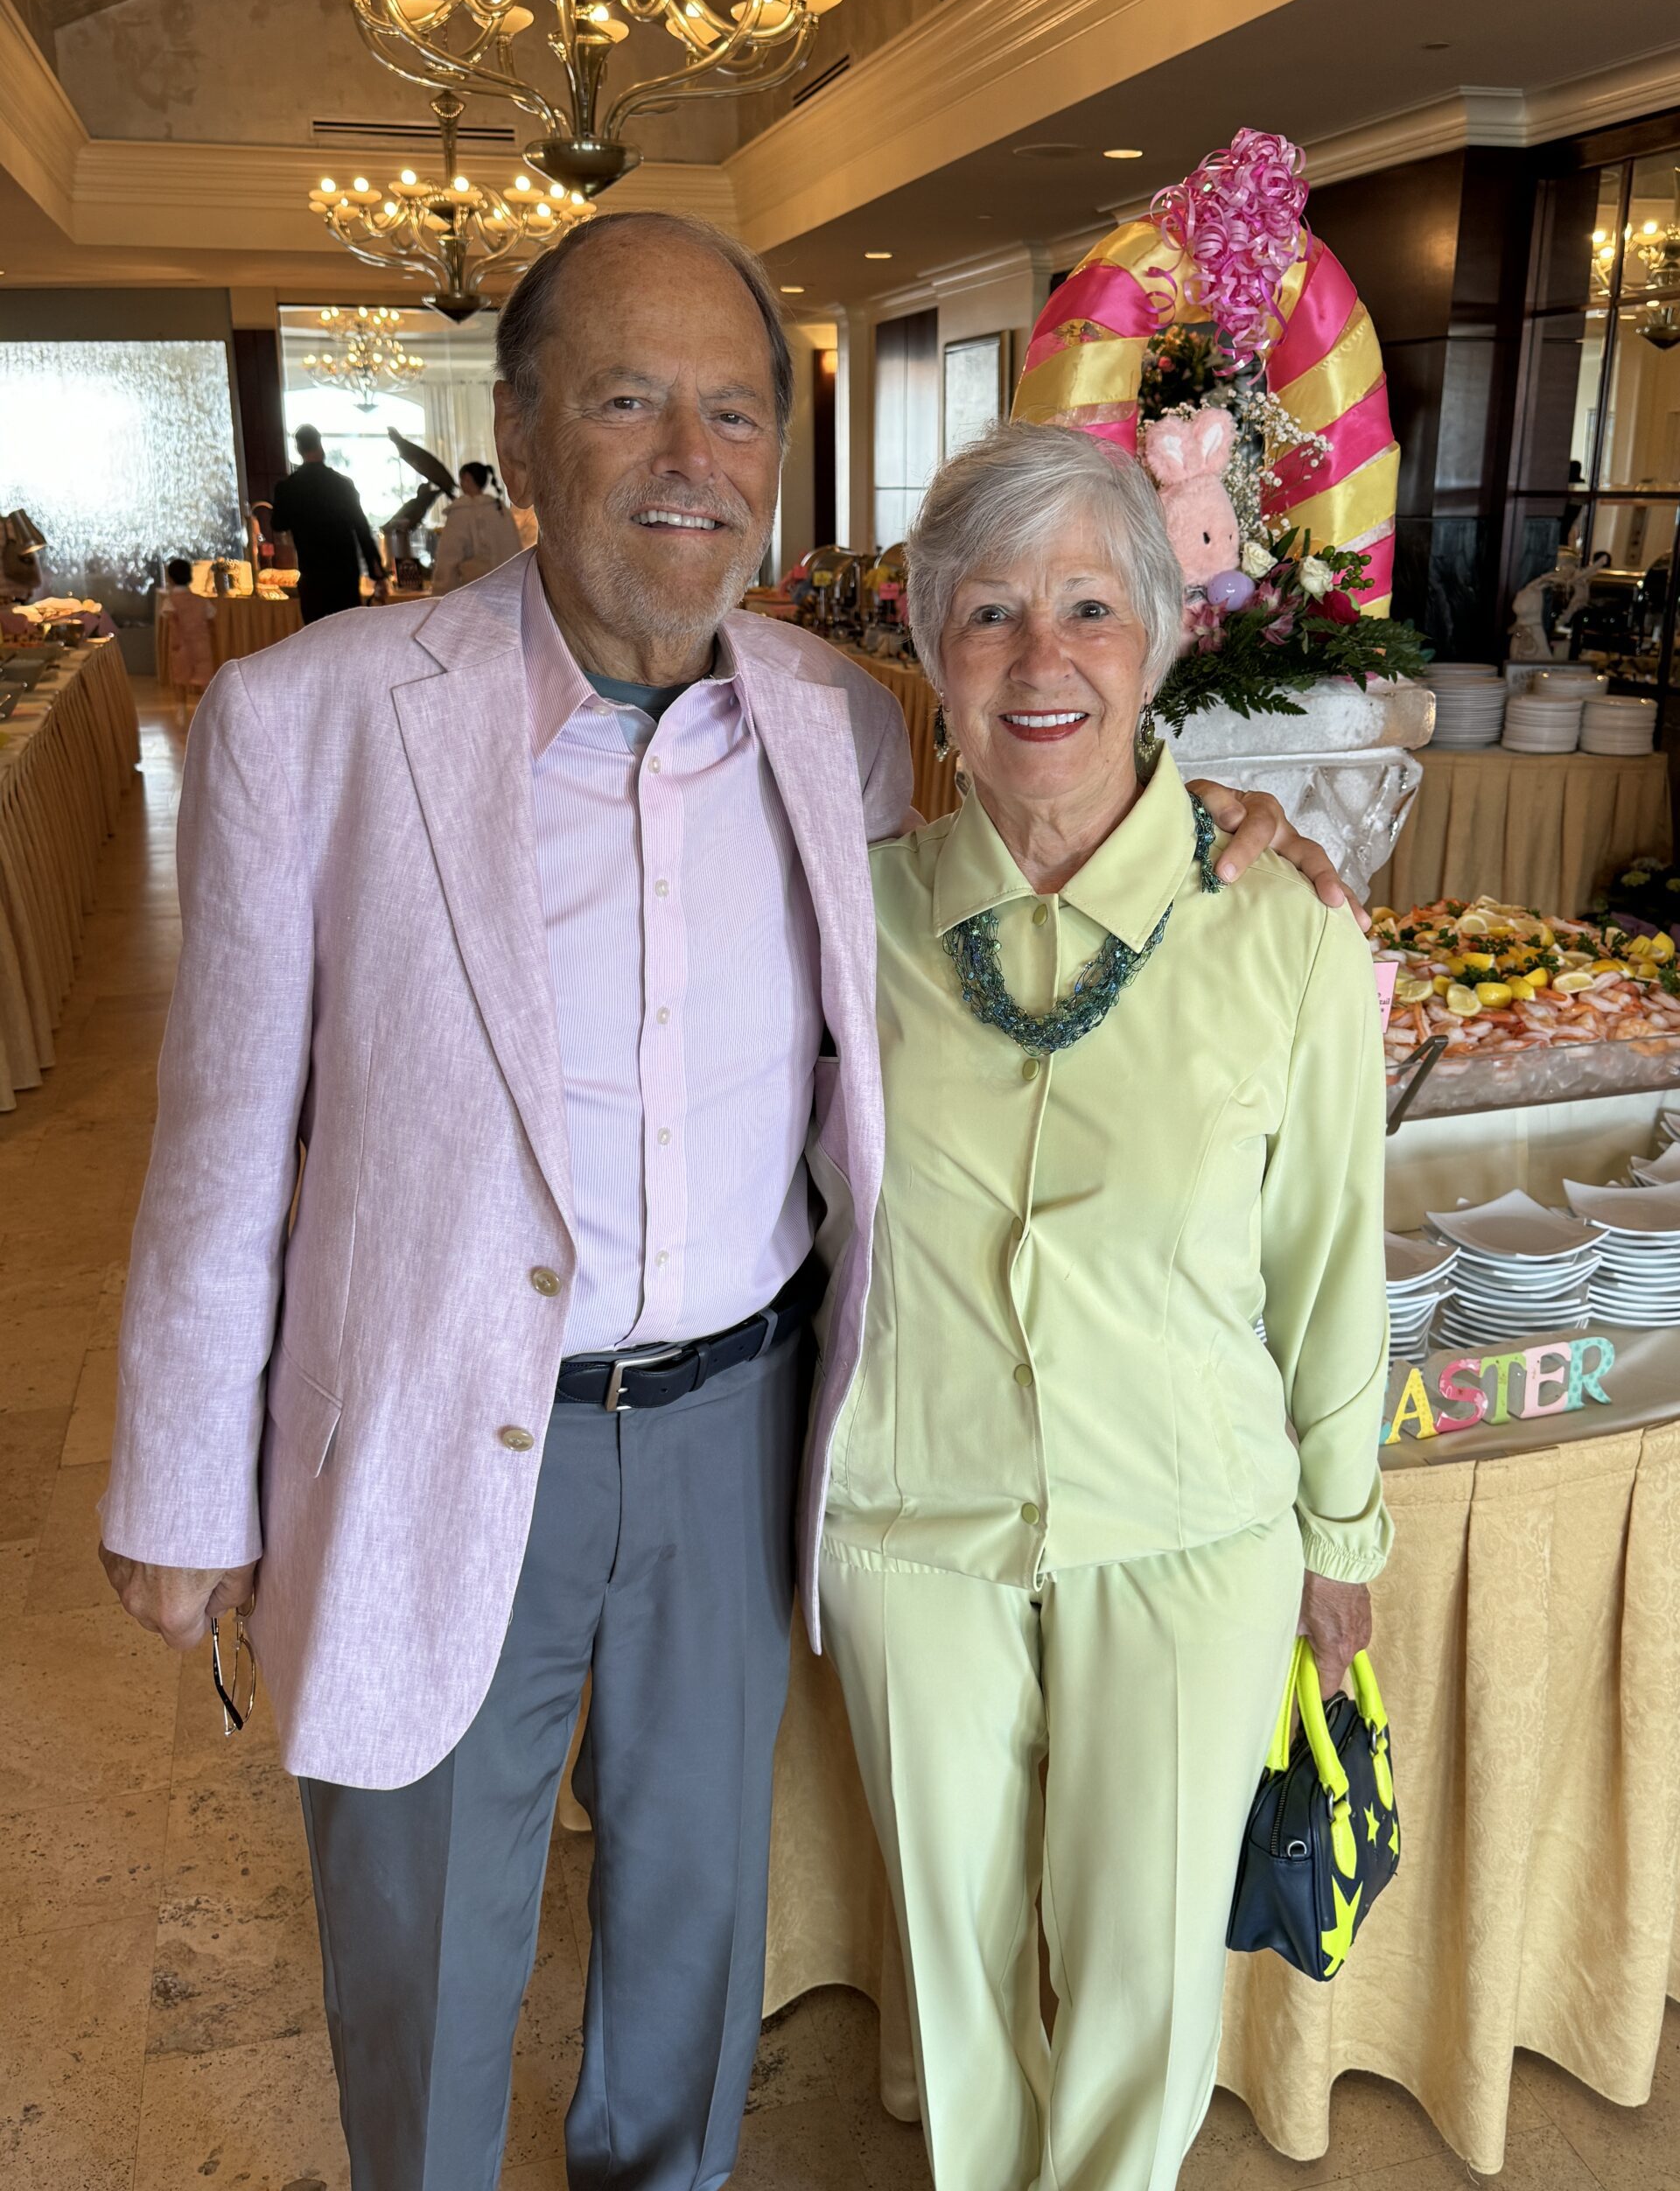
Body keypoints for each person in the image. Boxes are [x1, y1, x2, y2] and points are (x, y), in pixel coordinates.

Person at [96, 212, 1355, 2191]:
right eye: (627, 400)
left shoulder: (834, 720)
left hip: (735, 1427)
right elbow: (222, 1137)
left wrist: (1222, 821)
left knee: (693, 1927)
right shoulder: (313, 718)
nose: (692, 456)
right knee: (429, 1936)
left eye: (736, 410)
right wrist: (184, 1489)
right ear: (522, 434)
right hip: (434, 1417)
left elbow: (1040, 813)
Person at [816, 421, 1391, 2191]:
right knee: (956, 1964)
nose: (1040, 658)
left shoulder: (1285, 931)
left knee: (1146, 1975)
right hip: (914, 1521)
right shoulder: (850, 919)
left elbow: (1331, 1256)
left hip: (1190, 1526)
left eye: (1089, 607)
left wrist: (1340, 1531)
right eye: (989, 611)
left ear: (1159, 639)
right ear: (931, 652)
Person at [270, 424, 387, 622]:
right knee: (347, 633)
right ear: (320, 445)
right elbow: (362, 530)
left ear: (298, 449)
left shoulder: (287, 488)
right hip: (345, 578)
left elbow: (278, 524)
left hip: (312, 578)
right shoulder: (342, 485)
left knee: (317, 635)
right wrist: (377, 574)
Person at [430, 459, 523, 593]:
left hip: (474, 594)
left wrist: (441, 592)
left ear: (467, 478)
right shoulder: (500, 510)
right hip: (509, 590)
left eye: (462, 479)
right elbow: (515, 551)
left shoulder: (462, 512)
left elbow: (448, 558)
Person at [157, 556, 217, 696]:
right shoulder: (201, 600)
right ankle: (207, 706)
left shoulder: (170, 601)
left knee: (181, 680)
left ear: (170, 579)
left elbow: (171, 621)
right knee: (205, 680)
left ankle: (181, 708)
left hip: (181, 646)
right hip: (202, 645)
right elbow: (211, 619)